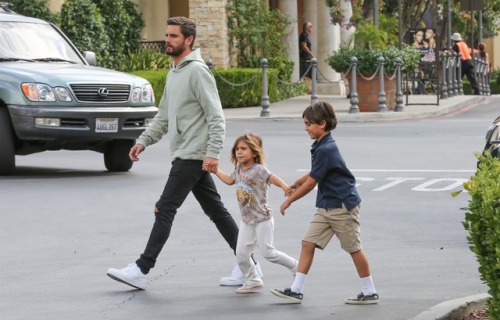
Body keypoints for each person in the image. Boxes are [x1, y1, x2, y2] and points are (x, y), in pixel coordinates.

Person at [106, 16, 261, 290]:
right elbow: (164, 116)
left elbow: (216, 117)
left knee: (165, 208)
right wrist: (143, 140)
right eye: (167, 35)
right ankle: (248, 265)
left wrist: (212, 153)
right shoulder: (174, 71)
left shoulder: (198, 72)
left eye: (173, 36)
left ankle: (142, 268)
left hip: (193, 154)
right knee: (217, 211)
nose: (168, 40)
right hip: (187, 153)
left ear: (188, 40)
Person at [270, 101, 379, 305]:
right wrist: (298, 181)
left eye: (308, 124)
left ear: (322, 124)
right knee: (307, 243)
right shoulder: (321, 145)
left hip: (342, 206)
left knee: (353, 248)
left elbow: (312, 183)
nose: (306, 128)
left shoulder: (326, 148)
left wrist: (288, 201)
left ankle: (370, 291)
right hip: (326, 206)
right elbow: (314, 173)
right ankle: (296, 289)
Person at [214, 133, 298, 294]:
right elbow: (229, 180)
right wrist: (215, 170)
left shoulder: (259, 169)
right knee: (241, 254)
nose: (239, 152)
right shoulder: (238, 169)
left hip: (262, 219)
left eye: (243, 149)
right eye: (237, 149)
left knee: (269, 253)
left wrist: (286, 188)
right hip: (246, 220)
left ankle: (297, 267)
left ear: (254, 152)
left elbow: (273, 178)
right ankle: (253, 281)